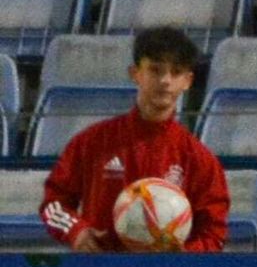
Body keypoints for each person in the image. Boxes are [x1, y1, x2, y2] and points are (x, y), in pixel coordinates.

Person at [41, 27, 229, 252]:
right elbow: (53, 204)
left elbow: (214, 234)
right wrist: (76, 232)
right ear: (135, 73)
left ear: (188, 81)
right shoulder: (92, 142)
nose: (165, 81)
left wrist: (184, 256)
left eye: (176, 72)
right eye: (155, 70)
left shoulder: (199, 159)